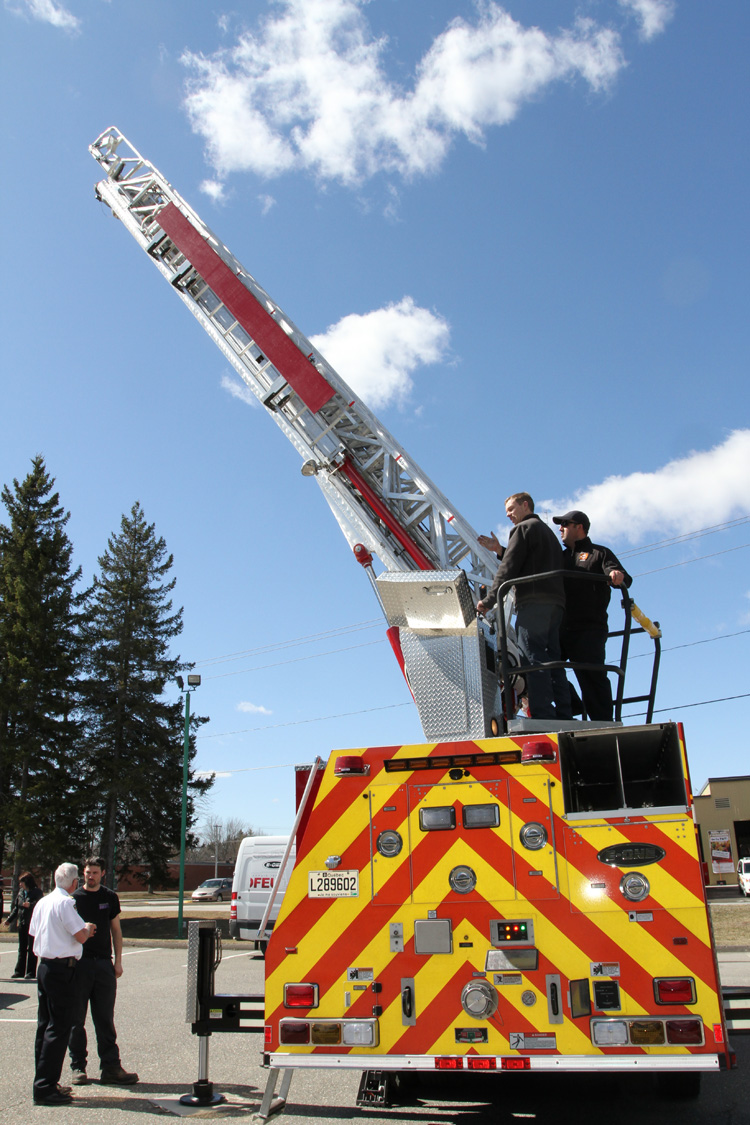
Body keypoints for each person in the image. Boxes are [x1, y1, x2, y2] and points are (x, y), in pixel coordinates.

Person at [477, 492, 571, 720]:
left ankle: (542, 715)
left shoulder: (522, 529)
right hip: (555, 605)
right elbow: (531, 561)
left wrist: (488, 601)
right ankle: (564, 713)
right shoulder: (547, 533)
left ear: (525, 505)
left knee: (532, 659)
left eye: (511, 509)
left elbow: (509, 569)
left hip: (532, 603)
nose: (508, 514)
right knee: (554, 660)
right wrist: (500, 550)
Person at [552, 509, 632, 722]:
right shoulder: (558, 557)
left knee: (592, 677)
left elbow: (623, 577)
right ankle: (573, 707)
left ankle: (603, 724)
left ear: (579, 527)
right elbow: (529, 566)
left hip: (589, 628)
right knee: (543, 668)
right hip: (561, 627)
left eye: (565, 524)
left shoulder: (600, 553)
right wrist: (500, 551)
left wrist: (616, 575)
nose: (560, 528)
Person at [28, 862, 96, 1106]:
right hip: (61, 969)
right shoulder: (66, 903)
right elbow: (80, 935)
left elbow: (35, 933)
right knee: (59, 1027)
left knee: (44, 1026)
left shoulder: (43, 902)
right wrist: (88, 928)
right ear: (75, 883)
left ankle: (43, 1080)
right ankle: (45, 1088)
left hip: (44, 966)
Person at [68, 857, 138, 1086]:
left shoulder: (109, 897)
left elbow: (116, 931)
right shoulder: (74, 900)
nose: (91, 876)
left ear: (103, 874)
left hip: (103, 966)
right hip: (80, 965)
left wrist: (118, 962)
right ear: (83, 873)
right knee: (76, 1019)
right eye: (88, 872)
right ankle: (78, 1066)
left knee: (105, 1019)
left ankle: (111, 1067)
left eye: (95, 872)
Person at [10, 872, 43, 980]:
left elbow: (41, 906)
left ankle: (30, 972)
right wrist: (9, 920)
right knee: (22, 948)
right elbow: (16, 908)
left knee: (31, 949)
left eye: (22, 882)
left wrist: (31, 905)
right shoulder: (21, 893)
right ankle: (19, 971)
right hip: (22, 923)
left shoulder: (37, 892)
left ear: (27, 882)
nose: (20, 885)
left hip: (32, 924)